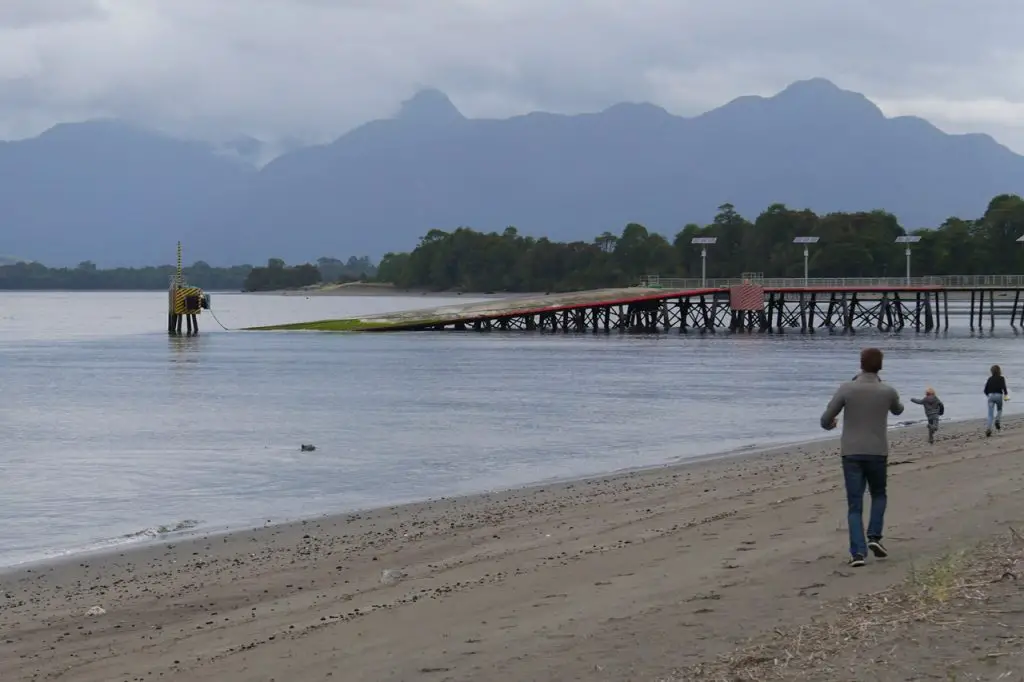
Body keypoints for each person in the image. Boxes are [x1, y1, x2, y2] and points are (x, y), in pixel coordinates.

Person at [820, 348, 904, 568]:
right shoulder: (887, 390)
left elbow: (826, 419)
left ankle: (857, 552)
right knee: (878, 494)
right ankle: (874, 537)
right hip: (877, 451)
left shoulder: (847, 389)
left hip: (852, 452)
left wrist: (831, 424)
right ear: (881, 366)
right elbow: (898, 410)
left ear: (860, 364)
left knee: (854, 505)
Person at [984, 365, 1010, 437]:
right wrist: (1006, 395)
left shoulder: (989, 379)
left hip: (991, 396)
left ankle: (989, 429)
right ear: (999, 371)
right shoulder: (1001, 378)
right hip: (998, 396)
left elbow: (985, 390)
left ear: (991, 371)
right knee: (999, 410)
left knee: (990, 415)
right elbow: (1004, 388)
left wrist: (988, 395)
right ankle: (997, 420)